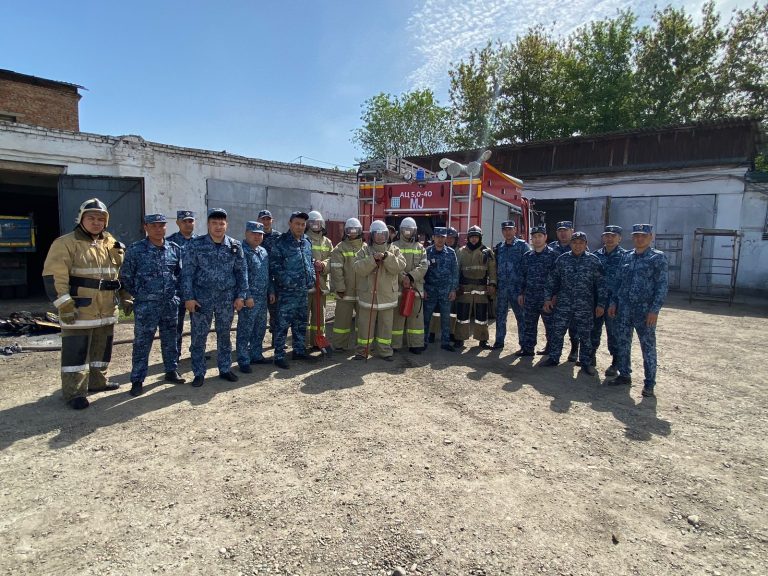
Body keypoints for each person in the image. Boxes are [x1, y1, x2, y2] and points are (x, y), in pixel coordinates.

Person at [42, 198, 127, 409]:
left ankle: (98, 383)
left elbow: (120, 272)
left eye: (101, 218)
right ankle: (74, 393)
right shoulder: (65, 243)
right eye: (91, 218)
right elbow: (54, 276)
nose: (96, 222)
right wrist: (64, 305)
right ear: (81, 219)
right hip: (79, 309)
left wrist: (125, 295)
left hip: (106, 308)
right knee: (76, 353)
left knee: (102, 350)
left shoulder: (111, 243)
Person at [120, 214, 185, 397]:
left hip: (169, 304)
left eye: (162, 225)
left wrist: (177, 296)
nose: (158, 229)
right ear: (146, 227)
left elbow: (179, 275)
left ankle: (171, 371)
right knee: (142, 343)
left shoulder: (174, 249)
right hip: (146, 305)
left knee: (171, 339)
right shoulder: (136, 250)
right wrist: (141, 295)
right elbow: (126, 276)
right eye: (154, 226)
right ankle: (137, 379)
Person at [181, 208, 247, 387]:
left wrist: (241, 295)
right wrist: (188, 298)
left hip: (226, 299)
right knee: (198, 337)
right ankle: (198, 372)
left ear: (226, 225)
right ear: (208, 225)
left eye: (221, 223)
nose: (218, 227)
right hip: (202, 299)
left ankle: (225, 368)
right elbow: (187, 273)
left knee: (224, 335)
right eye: (214, 223)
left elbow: (241, 272)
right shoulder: (196, 245)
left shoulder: (234, 246)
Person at [607, 224, 669, 397]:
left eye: (643, 236)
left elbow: (662, 286)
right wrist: (613, 303)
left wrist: (654, 310)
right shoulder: (626, 257)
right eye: (636, 236)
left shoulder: (658, 258)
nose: (639, 239)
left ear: (651, 237)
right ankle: (624, 374)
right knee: (623, 343)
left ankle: (649, 383)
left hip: (644, 311)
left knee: (647, 347)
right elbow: (617, 283)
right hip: (624, 309)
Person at [541, 231, 605, 375]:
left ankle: (585, 363)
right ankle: (553, 358)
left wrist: (601, 304)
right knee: (557, 332)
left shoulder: (594, 261)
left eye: (581, 243)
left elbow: (601, 285)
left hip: (585, 305)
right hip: (564, 303)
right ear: (571, 244)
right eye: (575, 243)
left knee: (585, 335)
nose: (577, 246)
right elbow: (552, 281)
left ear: (586, 245)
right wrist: (547, 298)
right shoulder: (562, 260)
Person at [353, 220, 406, 360]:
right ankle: (363, 351)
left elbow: (400, 266)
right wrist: (372, 260)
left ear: (388, 235)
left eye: (383, 233)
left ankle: (384, 351)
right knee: (365, 326)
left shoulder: (394, 250)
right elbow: (357, 268)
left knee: (386, 326)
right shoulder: (364, 250)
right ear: (372, 235)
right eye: (377, 233)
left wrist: (387, 257)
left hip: (387, 296)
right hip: (368, 296)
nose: (381, 236)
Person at [269, 211, 315, 369]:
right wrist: (289, 282)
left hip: (303, 291)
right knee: (282, 324)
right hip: (287, 292)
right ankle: (279, 355)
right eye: (297, 224)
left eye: (303, 224)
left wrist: (312, 278)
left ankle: (299, 350)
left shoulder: (307, 241)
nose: (300, 227)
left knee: (301, 322)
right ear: (290, 224)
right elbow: (275, 267)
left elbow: (310, 261)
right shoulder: (281, 242)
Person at [236, 221, 274, 372]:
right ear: (246, 233)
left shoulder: (263, 251)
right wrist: (247, 296)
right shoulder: (240, 250)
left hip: (262, 297)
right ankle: (243, 359)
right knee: (245, 329)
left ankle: (256, 354)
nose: (257, 237)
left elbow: (268, 274)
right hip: (249, 299)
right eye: (254, 233)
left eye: (260, 234)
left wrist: (271, 291)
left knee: (259, 328)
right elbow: (241, 276)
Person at [590, 225, 627, 375]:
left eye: (613, 235)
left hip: (614, 303)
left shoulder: (626, 256)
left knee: (614, 333)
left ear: (620, 238)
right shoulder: (595, 255)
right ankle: (590, 356)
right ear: (603, 238)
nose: (610, 238)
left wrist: (616, 302)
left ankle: (615, 362)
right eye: (607, 235)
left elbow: (625, 282)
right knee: (593, 330)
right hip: (596, 300)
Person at [516, 225, 558, 356]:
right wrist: (521, 293)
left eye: (540, 236)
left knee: (550, 326)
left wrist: (554, 296)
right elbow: (522, 276)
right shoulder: (527, 256)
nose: (537, 239)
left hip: (547, 298)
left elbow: (558, 278)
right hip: (530, 297)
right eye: (534, 237)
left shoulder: (553, 255)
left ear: (545, 237)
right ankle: (528, 349)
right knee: (529, 325)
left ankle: (551, 350)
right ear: (531, 239)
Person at [455, 225, 497, 348]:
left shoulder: (487, 252)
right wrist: (456, 286)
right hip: (465, 288)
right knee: (462, 315)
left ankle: (483, 340)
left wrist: (492, 284)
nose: (474, 239)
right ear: (468, 238)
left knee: (481, 316)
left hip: (481, 288)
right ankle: (460, 339)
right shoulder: (461, 251)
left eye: (476, 237)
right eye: (472, 237)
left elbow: (492, 270)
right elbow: (456, 271)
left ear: (480, 238)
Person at [392, 217, 429, 354]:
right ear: (401, 230)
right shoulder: (394, 246)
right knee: (397, 318)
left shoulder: (420, 248)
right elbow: (392, 265)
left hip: (416, 289)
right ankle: (395, 345)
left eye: (410, 229)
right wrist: (403, 278)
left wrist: (411, 277)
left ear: (415, 231)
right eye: (405, 229)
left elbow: (424, 266)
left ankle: (416, 344)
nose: (407, 232)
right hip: (399, 289)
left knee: (416, 319)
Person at [493, 220, 530, 351]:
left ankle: (524, 344)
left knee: (521, 317)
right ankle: (499, 341)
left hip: (517, 289)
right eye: (505, 230)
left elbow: (528, 268)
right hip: (502, 288)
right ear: (502, 231)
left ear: (515, 230)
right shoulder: (499, 247)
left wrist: (524, 290)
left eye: (510, 229)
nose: (507, 232)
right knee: (500, 316)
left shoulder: (522, 246)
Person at [329, 218, 365, 350]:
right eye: (350, 230)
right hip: (345, 292)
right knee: (341, 322)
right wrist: (340, 287)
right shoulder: (340, 248)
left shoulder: (365, 247)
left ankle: (362, 347)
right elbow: (336, 269)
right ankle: (339, 345)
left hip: (362, 292)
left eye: (356, 230)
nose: (353, 232)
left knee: (362, 322)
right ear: (346, 231)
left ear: (360, 231)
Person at [167, 210, 197, 362]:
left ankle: (197, 351)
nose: (188, 224)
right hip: (177, 291)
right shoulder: (169, 243)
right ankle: (175, 355)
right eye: (184, 221)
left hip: (196, 291)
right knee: (175, 325)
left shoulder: (201, 242)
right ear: (178, 223)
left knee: (198, 324)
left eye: (190, 221)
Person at [547, 220, 580, 361]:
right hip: (554, 294)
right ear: (557, 233)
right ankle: (551, 348)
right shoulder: (551, 248)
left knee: (574, 326)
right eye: (560, 230)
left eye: (566, 230)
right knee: (553, 324)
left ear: (571, 231)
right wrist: (551, 294)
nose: (563, 233)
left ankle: (574, 350)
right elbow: (549, 273)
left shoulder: (578, 247)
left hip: (572, 296)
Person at [423, 227, 459, 351]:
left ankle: (445, 342)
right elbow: (422, 272)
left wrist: (453, 289)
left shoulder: (450, 252)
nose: (440, 239)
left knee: (445, 318)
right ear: (433, 237)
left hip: (446, 291)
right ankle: (423, 341)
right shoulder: (426, 252)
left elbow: (455, 272)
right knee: (426, 317)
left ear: (445, 238)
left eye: (442, 237)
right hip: (430, 290)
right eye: (437, 237)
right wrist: (423, 289)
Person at [305, 210, 333, 347]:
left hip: (320, 284)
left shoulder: (327, 242)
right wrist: (313, 263)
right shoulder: (303, 238)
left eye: (318, 223)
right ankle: (302, 344)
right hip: (306, 284)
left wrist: (323, 265)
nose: (315, 225)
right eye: (312, 223)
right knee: (304, 316)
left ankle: (318, 341)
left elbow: (332, 259)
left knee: (319, 316)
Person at [258, 209, 281, 340]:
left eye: (268, 219)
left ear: (272, 220)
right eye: (263, 219)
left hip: (275, 278)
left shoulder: (278, 237)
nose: (265, 222)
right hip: (259, 279)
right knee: (257, 313)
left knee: (276, 311)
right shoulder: (254, 236)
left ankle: (276, 340)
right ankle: (255, 342)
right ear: (259, 220)